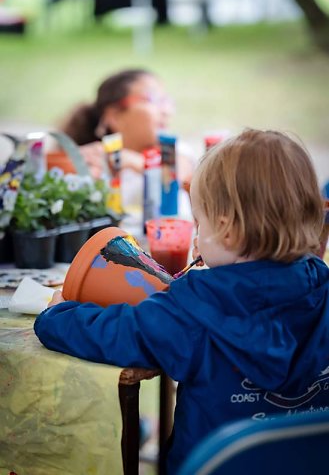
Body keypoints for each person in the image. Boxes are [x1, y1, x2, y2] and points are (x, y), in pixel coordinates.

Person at [35, 129, 329, 473]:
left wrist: (57, 315)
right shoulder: (321, 291)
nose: (197, 235)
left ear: (226, 229)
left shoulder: (195, 308)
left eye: (199, 223)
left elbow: (118, 333)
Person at [48, 68, 194, 207]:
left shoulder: (176, 150)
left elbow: (180, 174)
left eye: (166, 101)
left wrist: (131, 160)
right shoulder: (96, 160)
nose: (166, 111)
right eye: (153, 100)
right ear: (115, 116)